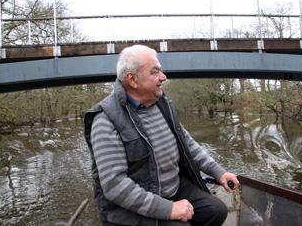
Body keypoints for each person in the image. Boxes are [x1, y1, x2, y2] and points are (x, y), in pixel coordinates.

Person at [84, 44, 239, 226]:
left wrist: (218, 172)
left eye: (161, 70)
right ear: (132, 79)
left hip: (173, 188)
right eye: (155, 72)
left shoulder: (162, 105)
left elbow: (187, 144)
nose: (163, 77)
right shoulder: (106, 120)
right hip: (133, 208)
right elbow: (115, 185)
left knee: (216, 211)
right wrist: (168, 209)